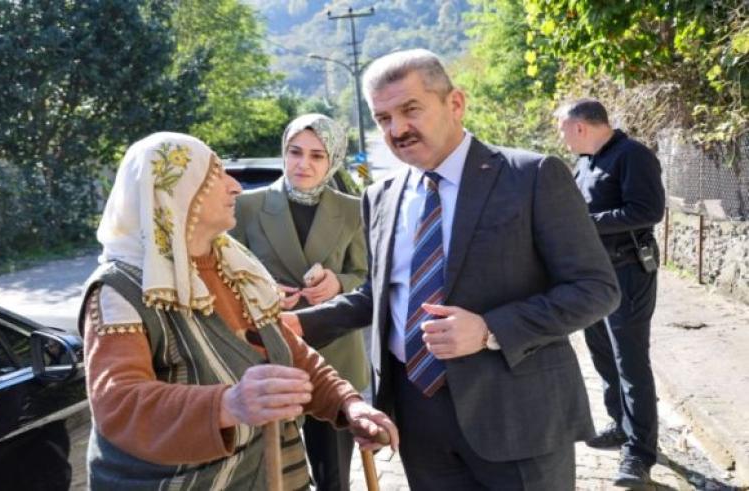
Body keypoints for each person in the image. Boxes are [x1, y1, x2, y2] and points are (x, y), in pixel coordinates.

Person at [281, 48, 621, 490]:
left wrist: (488, 329)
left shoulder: (532, 176)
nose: (397, 129)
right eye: (383, 118)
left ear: (455, 103)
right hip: (418, 418)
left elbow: (596, 289)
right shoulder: (380, 195)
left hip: (517, 416)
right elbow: (381, 295)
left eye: (410, 109)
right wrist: (298, 325)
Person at [78, 132, 397, 490]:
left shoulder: (234, 266)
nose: (235, 187)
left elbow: (287, 349)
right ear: (177, 192)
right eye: (217, 175)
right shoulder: (119, 288)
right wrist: (228, 404)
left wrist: (348, 403)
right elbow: (118, 404)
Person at [230, 113, 370, 491]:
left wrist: (338, 283)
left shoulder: (354, 208)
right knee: (272, 475)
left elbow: (369, 278)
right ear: (283, 152)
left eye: (317, 155)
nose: (303, 164)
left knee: (334, 478)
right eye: (295, 152)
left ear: (333, 160)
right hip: (267, 356)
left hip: (336, 354)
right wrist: (263, 288)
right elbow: (226, 276)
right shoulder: (246, 206)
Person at [556, 98, 665, 488]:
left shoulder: (632, 156)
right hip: (592, 277)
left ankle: (639, 453)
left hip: (628, 273)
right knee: (602, 354)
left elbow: (648, 211)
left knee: (631, 363)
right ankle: (620, 424)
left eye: (564, 129)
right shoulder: (583, 163)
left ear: (581, 127)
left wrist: (583, 222)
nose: (562, 137)